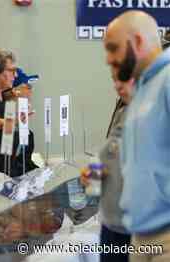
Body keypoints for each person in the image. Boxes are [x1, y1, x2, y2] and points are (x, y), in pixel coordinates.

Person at [104, 11, 169, 261]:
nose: (109, 59)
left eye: (113, 48)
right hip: (140, 235)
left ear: (139, 42)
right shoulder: (141, 89)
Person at [81, 75, 134, 262]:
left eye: (125, 79)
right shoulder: (123, 109)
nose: (117, 85)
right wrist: (94, 173)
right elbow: (108, 156)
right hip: (113, 223)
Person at [0, 49, 38, 176]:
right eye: (11, 71)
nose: (15, 76)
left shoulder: (4, 96)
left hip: (11, 167)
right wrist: (10, 122)